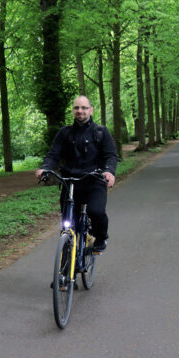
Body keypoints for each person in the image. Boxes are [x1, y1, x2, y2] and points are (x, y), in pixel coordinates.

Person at [36, 95, 117, 253]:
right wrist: (45, 168)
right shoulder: (64, 133)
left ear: (91, 110)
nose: (80, 111)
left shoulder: (101, 132)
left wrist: (109, 171)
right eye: (77, 108)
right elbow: (53, 154)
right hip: (71, 183)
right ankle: (63, 275)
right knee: (68, 226)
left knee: (96, 212)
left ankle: (101, 237)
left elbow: (111, 155)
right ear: (73, 110)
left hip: (94, 181)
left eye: (84, 108)